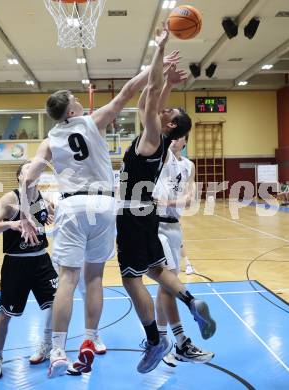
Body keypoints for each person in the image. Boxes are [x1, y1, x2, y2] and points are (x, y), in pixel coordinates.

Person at [19, 46, 179, 377]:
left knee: (68, 278)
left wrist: (24, 211)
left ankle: (59, 349)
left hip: (72, 205)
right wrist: (157, 66)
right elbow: (129, 90)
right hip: (105, 205)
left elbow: (29, 174)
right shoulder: (93, 121)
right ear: (72, 108)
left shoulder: (49, 139)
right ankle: (90, 338)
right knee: (94, 278)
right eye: (76, 99)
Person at [117, 27, 216, 374]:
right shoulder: (161, 144)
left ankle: (155, 340)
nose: (158, 110)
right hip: (150, 217)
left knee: (132, 280)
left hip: (131, 214)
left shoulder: (152, 138)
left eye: (166, 111)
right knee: (159, 270)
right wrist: (170, 83)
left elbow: (149, 94)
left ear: (169, 123)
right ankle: (191, 300)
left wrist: (159, 50)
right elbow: (152, 99)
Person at [0, 161, 62, 379]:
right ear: (20, 177)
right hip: (15, 264)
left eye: (35, 168)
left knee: (58, 304)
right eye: (27, 169)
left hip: (41, 261)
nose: (32, 171)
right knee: (5, 314)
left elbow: (54, 220)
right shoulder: (11, 199)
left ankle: (47, 345)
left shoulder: (42, 200)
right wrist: (10, 225)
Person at [153, 134, 214, 367]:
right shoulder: (162, 157)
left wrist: (175, 202)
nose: (173, 139)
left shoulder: (189, 166)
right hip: (155, 225)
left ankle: (163, 342)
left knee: (166, 287)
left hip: (174, 226)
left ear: (185, 141)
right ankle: (176, 342)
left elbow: (189, 199)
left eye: (179, 136)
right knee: (168, 283)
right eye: (172, 135)